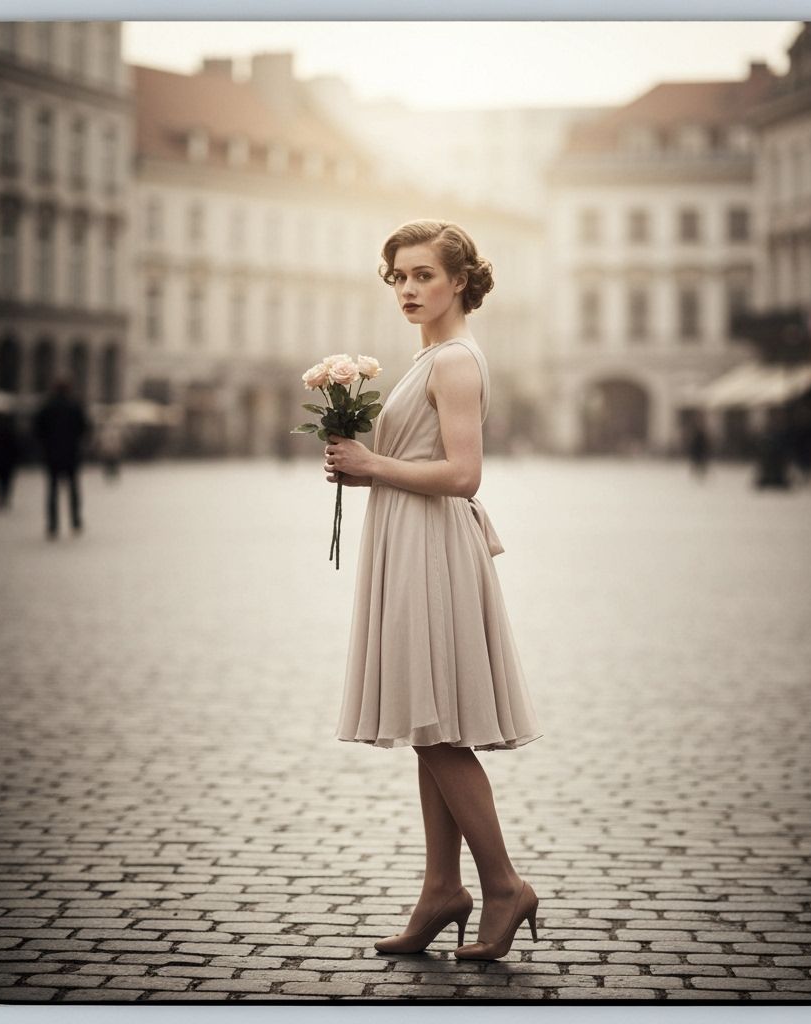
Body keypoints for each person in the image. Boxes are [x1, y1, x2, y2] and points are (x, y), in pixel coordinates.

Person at [323, 220, 542, 961]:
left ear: (458, 281)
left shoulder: (454, 362)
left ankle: (504, 884)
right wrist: (361, 459)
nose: (408, 289)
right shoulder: (429, 359)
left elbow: (463, 475)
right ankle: (442, 890)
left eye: (423, 275)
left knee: (441, 729)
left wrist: (371, 466)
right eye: (399, 277)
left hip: (431, 547)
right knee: (429, 725)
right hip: (409, 540)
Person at [32, 375, 91, 538]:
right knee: (73, 489)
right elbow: (84, 428)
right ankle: (76, 521)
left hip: (52, 454)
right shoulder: (75, 406)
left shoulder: (47, 407)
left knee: (52, 490)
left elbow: (37, 429)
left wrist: (45, 444)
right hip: (71, 453)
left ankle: (52, 525)